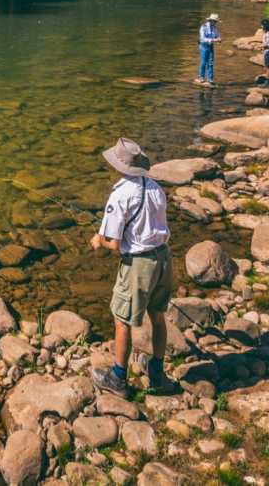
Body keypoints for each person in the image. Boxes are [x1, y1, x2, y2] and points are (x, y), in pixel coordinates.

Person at [89, 137, 178, 396]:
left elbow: (114, 244)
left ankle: (118, 379)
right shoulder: (155, 188)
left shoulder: (120, 194)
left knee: (122, 320)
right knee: (157, 317)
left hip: (139, 265)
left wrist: (98, 241)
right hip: (163, 259)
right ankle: (157, 373)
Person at [196, 13, 221, 87]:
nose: (216, 23)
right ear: (211, 20)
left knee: (211, 62)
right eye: (215, 21)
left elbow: (217, 35)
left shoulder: (214, 28)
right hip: (203, 46)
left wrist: (219, 38)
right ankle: (201, 78)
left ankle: (210, 79)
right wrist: (214, 40)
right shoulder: (203, 27)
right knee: (203, 62)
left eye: (216, 21)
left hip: (210, 46)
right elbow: (203, 38)